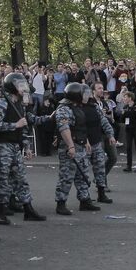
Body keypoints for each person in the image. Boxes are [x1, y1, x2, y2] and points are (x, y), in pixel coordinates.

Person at [0, 72, 48, 225]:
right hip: (2, 147)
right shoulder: (2, 103)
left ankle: (28, 210)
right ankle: (0, 213)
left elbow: (24, 128)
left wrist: (26, 146)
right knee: (3, 181)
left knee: (21, 180)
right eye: (20, 85)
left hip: (15, 146)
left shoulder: (19, 104)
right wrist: (15, 125)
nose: (23, 88)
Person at [53, 82, 100, 215]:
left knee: (83, 174)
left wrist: (85, 141)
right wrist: (71, 146)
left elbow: (80, 127)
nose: (85, 96)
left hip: (80, 145)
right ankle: (61, 203)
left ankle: (85, 200)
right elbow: (64, 128)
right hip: (70, 147)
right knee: (66, 176)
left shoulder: (77, 107)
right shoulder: (64, 109)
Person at [84, 83, 118, 203]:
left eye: (102, 88)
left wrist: (110, 134)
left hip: (103, 134)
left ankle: (101, 185)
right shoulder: (87, 104)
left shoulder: (103, 103)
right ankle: (97, 190)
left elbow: (105, 119)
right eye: (99, 88)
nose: (102, 91)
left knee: (113, 157)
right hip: (92, 138)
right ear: (92, 91)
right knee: (98, 162)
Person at [120, 90, 136, 172]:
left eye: (125, 97)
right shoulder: (125, 107)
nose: (124, 98)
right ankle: (129, 166)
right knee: (128, 148)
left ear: (130, 98)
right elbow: (122, 119)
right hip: (128, 129)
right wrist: (123, 113)